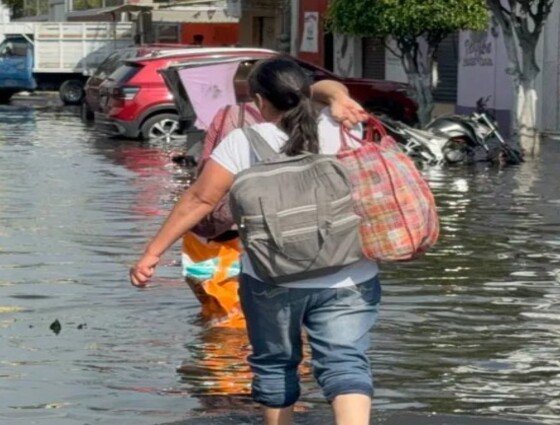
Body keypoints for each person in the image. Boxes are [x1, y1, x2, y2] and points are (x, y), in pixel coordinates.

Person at [130, 56, 379, 425]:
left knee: (277, 365)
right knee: (345, 363)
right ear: (307, 93)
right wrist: (337, 96)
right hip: (349, 274)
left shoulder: (243, 142)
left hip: (271, 278)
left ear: (260, 102)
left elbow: (199, 200)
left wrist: (151, 253)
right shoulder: (344, 128)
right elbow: (326, 94)